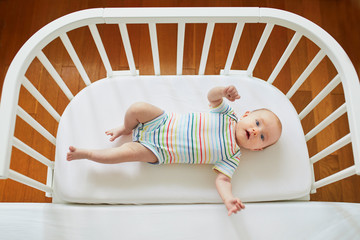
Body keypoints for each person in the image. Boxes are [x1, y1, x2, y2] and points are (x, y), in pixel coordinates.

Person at [67, 85, 282, 216]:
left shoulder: (233, 156)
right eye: (257, 122)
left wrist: (228, 199)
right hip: (163, 122)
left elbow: (222, 181)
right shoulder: (228, 115)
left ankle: (88, 154)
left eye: (262, 136)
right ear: (245, 115)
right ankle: (126, 127)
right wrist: (223, 91)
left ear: (258, 148)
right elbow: (212, 97)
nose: (255, 131)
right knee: (136, 108)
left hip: (160, 151)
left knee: (124, 155)